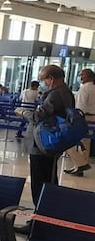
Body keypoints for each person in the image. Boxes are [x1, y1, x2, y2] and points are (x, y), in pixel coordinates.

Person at [22, 65, 75, 206]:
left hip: (42, 144)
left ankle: (40, 216)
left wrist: (22, 112)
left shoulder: (55, 94)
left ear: (51, 79)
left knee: (39, 182)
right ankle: (49, 213)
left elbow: (38, 117)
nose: (42, 83)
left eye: (43, 79)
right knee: (49, 179)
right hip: (53, 142)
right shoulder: (67, 92)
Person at [64, 69, 95, 176]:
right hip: (93, 119)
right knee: (86, 143)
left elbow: (80, 107)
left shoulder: (85, 88)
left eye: (83, 75)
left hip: (84, 118)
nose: (81, 77)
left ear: (89, 77)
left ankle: (81, 164)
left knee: (68, 141)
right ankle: (80, 165)